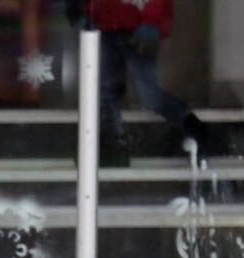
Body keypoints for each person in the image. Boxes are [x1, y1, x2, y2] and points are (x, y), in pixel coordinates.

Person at [63, 0, 211, 164]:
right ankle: (111, 144)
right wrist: (78, 11)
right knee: (104, 93)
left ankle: (192, 125)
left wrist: (151, 21)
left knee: (147, 95)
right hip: (104, 27)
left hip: (136, 27)